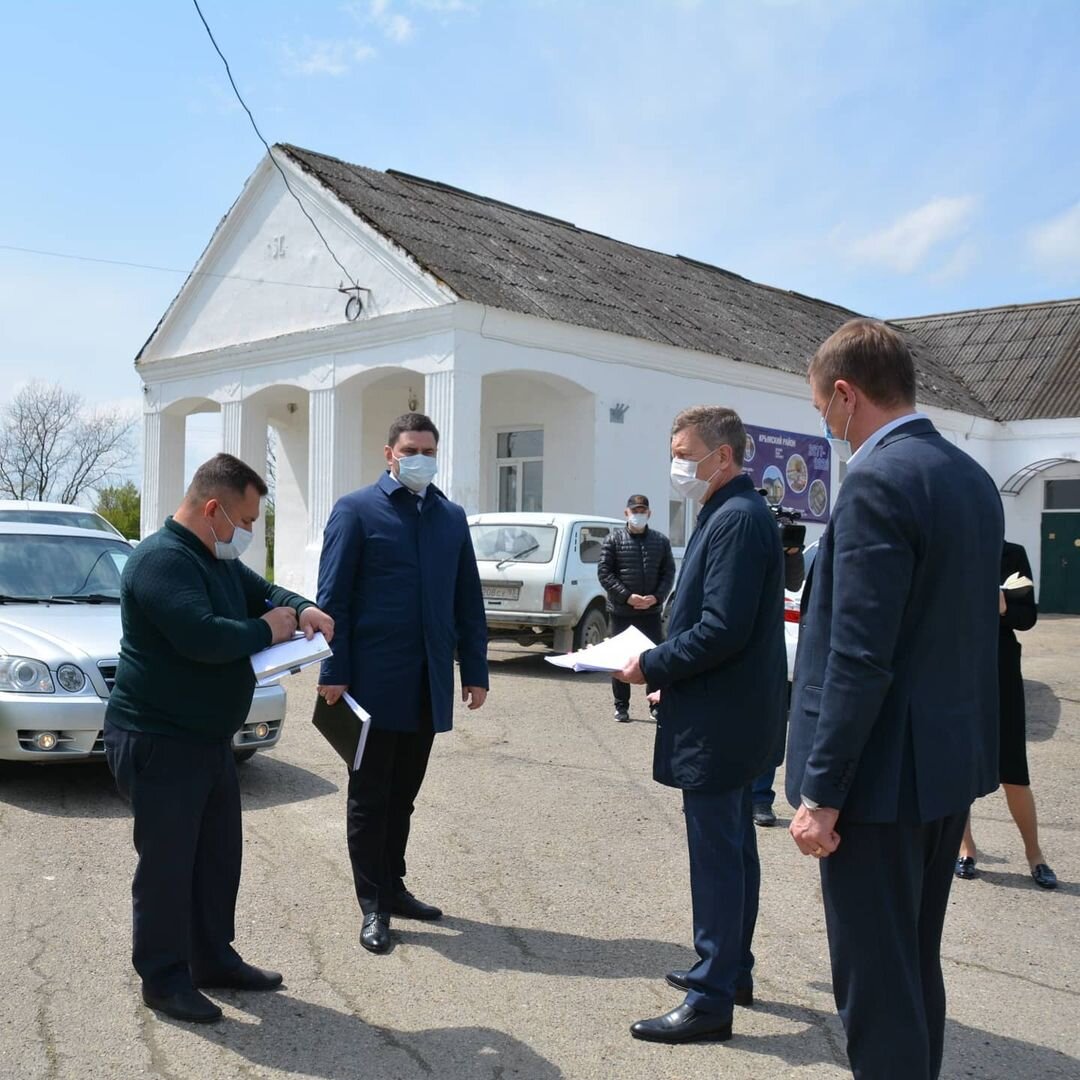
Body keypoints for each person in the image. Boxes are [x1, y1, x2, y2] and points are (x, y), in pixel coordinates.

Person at [786, 319, 1004, 1080]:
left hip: (876, 784)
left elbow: (859, 655)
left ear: (845, 395)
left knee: (876, 986)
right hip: (942, 771)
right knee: (913, 965)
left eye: (822, 410)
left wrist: (822, 792)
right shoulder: (969, 476)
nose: (826, 427)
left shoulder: (880, 479)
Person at [105, 453, 334, 1024]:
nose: (249, 534)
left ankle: (212, 959)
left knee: (215, 859)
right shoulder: (160, 561)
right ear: (212, 510)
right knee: (168, 866)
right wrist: (268, 629)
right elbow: (202, 638)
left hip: (207, 740)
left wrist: (302, 609)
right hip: (158, 740)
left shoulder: (217, 556)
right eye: (246, 522)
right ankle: (163, 978)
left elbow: (266, 592)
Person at [617, 405, 786, 1044]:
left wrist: (653, 666)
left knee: (718, 856)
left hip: (723, 719)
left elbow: (723, 627)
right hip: (727, 708)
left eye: (685, 452)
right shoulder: (728, 511)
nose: (677, 465)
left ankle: (713, 999)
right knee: (734, 846)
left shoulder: (739, 518)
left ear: (723, 455)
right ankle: (729, 969)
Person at [316, 412, 489, 955]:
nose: (420, 459)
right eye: (411, 449)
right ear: (389, 452)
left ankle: (394, 885)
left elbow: (468, 600)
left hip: (425, 683)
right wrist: (332, 671)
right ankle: (372, 906)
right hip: (370, 683)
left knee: (405, 797)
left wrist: (476, 670)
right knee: (370, 798)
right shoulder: (355, 511)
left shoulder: (450, 517)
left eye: (429, 451)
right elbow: (333, 599)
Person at [956, 541, 1058, 889]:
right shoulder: (952, 550)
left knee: (1013, 766)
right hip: (957, 667)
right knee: (962, 764)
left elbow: (1026, 617)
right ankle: (966, 849)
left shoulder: (1010, 554)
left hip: (1000, 669)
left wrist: (1001, 607)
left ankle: (1035, 855)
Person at [597, 494, 676, 722]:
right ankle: (621, 706)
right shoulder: (613, 540)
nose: (638, 515)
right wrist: (627, 597)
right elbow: (605, 573)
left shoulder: (660, 541)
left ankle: (656, 703)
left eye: (642, 511)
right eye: (634, 511)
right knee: (620, 659)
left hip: (650, 612)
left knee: (654, 658)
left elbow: (668, 573)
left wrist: (657, 597)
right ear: (626, 513)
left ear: (649, 513)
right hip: (622, 612)